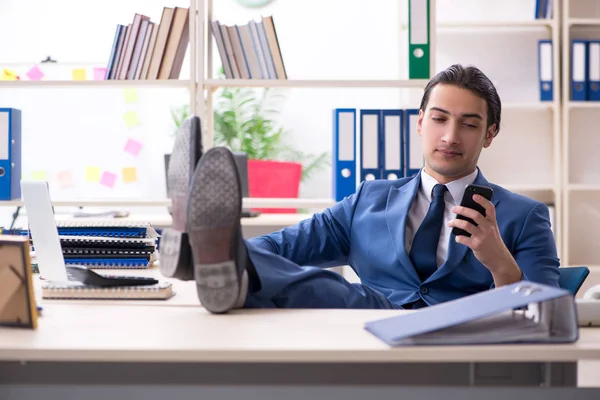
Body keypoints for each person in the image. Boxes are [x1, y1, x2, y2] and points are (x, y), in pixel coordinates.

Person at [160, 64, 560, 314]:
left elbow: (547, 317)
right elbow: (280, 248)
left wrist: (500, 265)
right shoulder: (370, 199)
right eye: (439, 119)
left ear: (489, 134)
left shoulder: (525, 216)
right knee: (323, 286)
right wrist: (233, 253)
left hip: (459, 336)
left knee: (332, 288)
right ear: (420, 122)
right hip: (371, 328)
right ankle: (209, 257)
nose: (450, 136)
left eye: (469, 124)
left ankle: (218, 264)